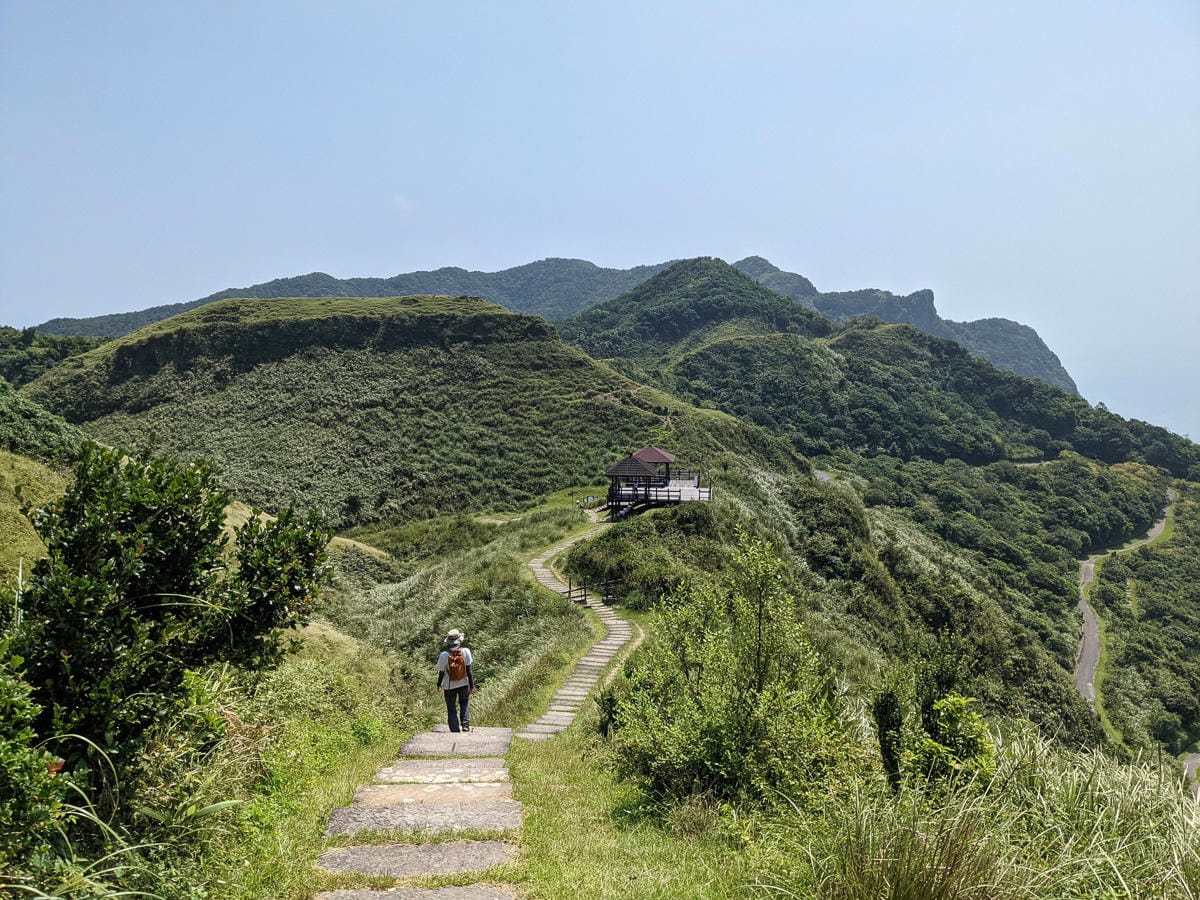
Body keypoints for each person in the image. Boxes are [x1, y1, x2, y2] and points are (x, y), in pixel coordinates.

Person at [436, 628, 474, 732]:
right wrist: (471, 686)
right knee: (464, 703)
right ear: (459, 640)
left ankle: (454, 729)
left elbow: (441, 672)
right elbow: (469, 670)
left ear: (448, 641)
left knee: (451, 707)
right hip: (464, 683)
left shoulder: (444, 655)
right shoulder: (466, 651)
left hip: (449, 686)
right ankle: (465, 725)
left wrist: (438, 684)